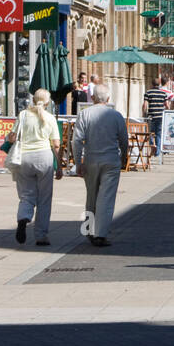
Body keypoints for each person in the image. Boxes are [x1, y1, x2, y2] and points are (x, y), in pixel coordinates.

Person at [72, 84, 129, 247]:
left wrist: (78, 162)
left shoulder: (84, 114)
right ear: (108, 99)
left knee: (91, 196)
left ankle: (89, 229)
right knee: (106, 198)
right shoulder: (116, 115)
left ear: (93, 98)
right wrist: (124, 157)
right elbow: (123, 139)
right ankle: (100, 234)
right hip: (111, 160)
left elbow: (77, 140)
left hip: (91, 159)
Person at [4, 88, 61, 246]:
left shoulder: (23, 115)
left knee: (26, 195)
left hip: (24, 158)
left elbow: (13, 136)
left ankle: (23, 218)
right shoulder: (50, 118)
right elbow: (56, 144)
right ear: (48, 102)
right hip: (44, 157)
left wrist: (8, 138)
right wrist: (60, 167)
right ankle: (41, 235)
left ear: (33, 100)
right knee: (44, 198)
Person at [143, 78, 167, 157]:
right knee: (158, 134)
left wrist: (144, 113)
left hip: (151, 116)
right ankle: (157, 152)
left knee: (150, 133)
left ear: (152, 84)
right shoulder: (163, 93)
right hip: (160, 116)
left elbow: (145, 105)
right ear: (159, 84)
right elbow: (167, 105)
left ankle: (152, 145)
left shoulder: (148, 92)